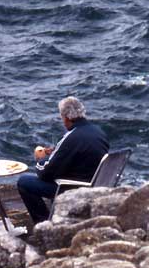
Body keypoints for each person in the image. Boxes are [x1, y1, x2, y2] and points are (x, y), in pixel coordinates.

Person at [17, 96, 108, 224]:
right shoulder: (98, 132)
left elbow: (46, 173)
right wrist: (55, 152)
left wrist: (40, 159)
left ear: (66, 118)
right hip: (93, 183)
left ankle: (43, 223)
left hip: (72, 187)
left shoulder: (71, 137)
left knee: (24, 182)